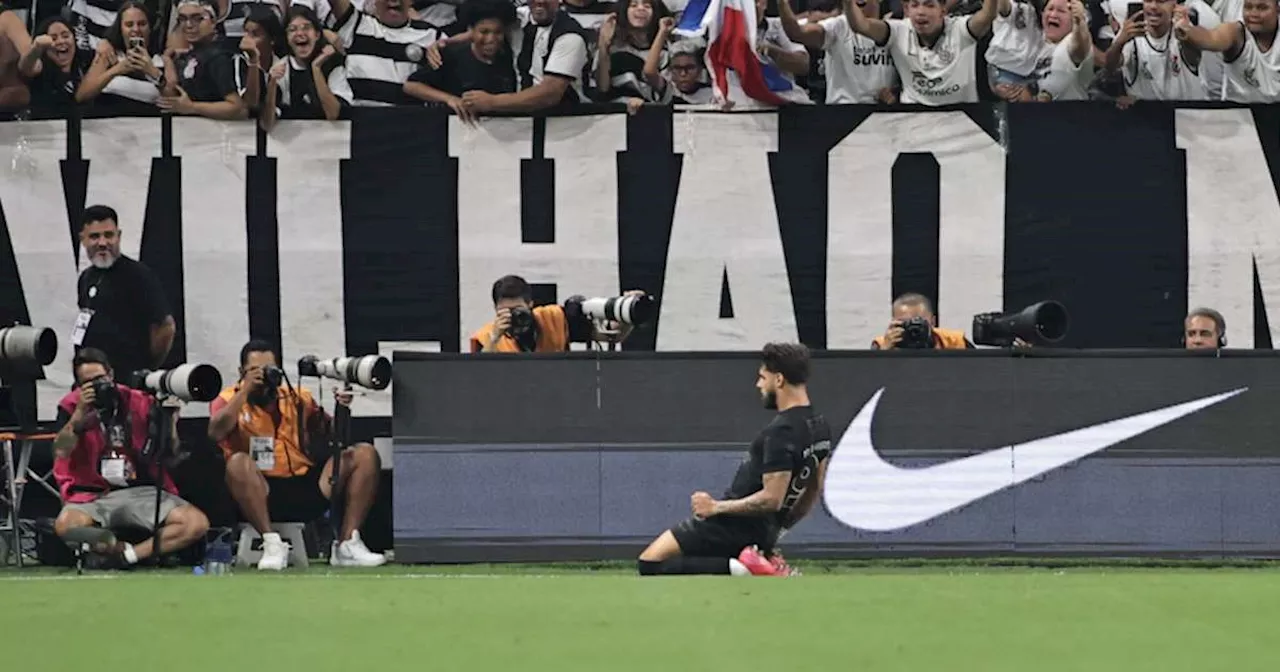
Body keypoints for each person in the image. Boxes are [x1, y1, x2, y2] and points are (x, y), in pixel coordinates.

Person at [637, 343, 832, 577]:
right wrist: (777, 530)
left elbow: (772, 499)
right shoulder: (820, 427)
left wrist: (715, 507)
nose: (758, 385)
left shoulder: (782, 431)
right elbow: (813, 490)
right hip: (761, 531)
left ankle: (746, 568)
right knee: (694, 561)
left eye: (762, 377)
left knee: (650, 563)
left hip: (733, 525)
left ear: (779, 380)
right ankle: (751, 562)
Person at [209, 339, 386, 569]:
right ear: (241, 372)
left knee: (364, 454)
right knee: (237, 462)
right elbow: (215, 432)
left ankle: (346, 544)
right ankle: (271, 543)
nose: (262, 377)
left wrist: (342, 407)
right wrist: (244, 391)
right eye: (255, 371)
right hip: (260, 491)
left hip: (304, 485)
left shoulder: (296, 397)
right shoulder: (228, 399)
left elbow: (331, 437)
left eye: (268, 370)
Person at [51, 348, 210, 568]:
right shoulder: (70, 405)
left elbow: (170, 456)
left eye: (100, 379)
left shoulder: (138, 401)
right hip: (93, 495)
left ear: (111, 375)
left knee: (195, 523)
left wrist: (170, 421)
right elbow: (61, 451)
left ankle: (129, 556)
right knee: (66, 525)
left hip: (140, 489)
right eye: (88, 383)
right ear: (79, 386)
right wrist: (78, 417)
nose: (97, 387)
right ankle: (117, 549)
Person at [75, 205, 176, 381]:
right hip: (91, 379)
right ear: (83, 240)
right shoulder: (86, 277)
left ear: (118, 236)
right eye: (94, 236)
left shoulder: (138, 275)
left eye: (108, 235)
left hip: (127, 382)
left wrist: (145, 367)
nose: (102, 243)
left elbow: (165, 327)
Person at [844, 0, 999, 105]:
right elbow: (860, 25)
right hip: (913, 116)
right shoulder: (897, 31)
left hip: (962, 114)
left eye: (929, 5)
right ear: (906, 9)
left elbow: (988, 15)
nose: (921, 12)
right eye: (915, 5)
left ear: (942, 10)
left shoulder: (961, 30)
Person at [469, 275, 646, 353]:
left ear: (531, 305)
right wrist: (495, 338)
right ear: (495, 310)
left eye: (518, 311)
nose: (514, 317)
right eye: (505, 312)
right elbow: (478, 378)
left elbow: (612, 337)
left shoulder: (554, 319)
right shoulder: (486, 337)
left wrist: (629, 316)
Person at [403, 0, 517, 119]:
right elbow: (411, 85)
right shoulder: (452, 55)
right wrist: (449, 99)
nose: (491, 39)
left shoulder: (508, 58)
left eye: (497, 32)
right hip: (457, 129)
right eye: (484, 32)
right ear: (471, 31)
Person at [777, 0, 899, 104]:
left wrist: (894, 94)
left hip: (883, 116)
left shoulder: (895, 29)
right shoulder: (838, 26)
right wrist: (782, 3)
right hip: (842, 113)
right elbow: (797, 33)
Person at [260, 5, 349, 130]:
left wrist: (316, 68)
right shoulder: (281, 68)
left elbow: (333, 113)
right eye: (292, 29)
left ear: (317, 34)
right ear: (286, 37)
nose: (300, 33)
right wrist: (272, 84)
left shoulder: (332, 64)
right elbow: (267, 124)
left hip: (331, 143)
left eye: (306, 28)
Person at [1173, 0, 1280, 102]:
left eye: (1262, 8)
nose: (1254, 14)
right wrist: (1188, 30)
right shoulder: (1236, 32)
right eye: (1248, 7)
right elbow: (1211, 37)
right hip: (1237, 112)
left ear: (1277, 9)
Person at [75, 1, 168, 113]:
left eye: (142, 24)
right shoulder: (108, 55)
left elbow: (174, 98)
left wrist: (152, 71)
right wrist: (116, 70)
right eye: (129, 25)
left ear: (150, 27)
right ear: (120, 29)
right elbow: (81, 96)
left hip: (149, 125)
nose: (136, 29)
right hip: (108, 123)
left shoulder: (163, 61)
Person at [871, 293, 972, 350]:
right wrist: (884, 353)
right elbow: (869, 380)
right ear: (894, 323)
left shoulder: (955, 341)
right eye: (905, 323)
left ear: (933, 322)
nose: (913, 328)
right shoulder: (881, 344)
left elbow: (978, 371)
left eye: (918, 321)